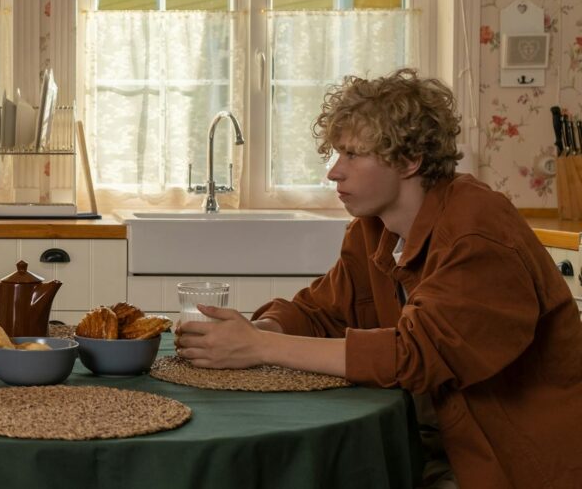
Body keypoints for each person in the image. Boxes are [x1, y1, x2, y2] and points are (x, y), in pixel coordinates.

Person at [175, 68, 582, 489]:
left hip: (515, 465)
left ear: (409, 161)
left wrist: (261, 347)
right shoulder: (374, 229)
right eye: (335, 154)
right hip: (431, 446)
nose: (334, 171)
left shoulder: (478, 229)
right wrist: (257, 330)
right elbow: (323, 312)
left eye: (352, 154)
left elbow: (415, 355)